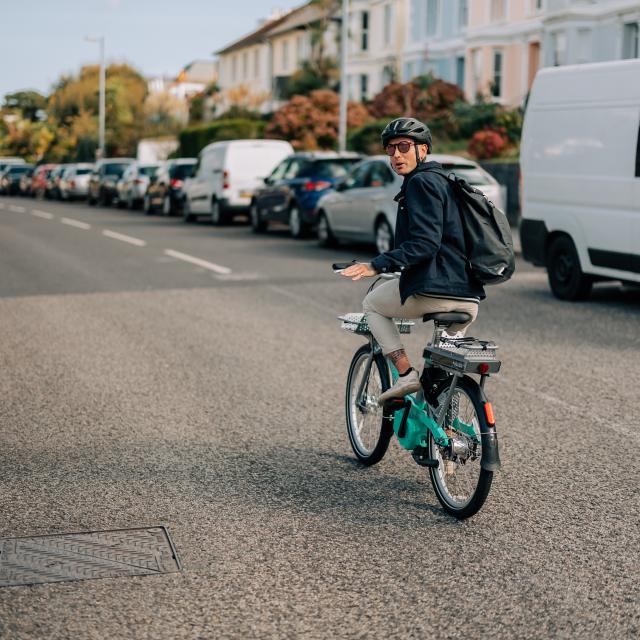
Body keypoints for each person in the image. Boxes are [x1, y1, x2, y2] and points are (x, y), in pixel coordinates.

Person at [341, 117, 485, 404]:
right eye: (390, 149)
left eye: (404, 146)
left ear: (423, 150)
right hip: (469, 298)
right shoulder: (446, 182)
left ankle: (405, 374)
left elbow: (425, 244)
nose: (396, 155)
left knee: (372, 304)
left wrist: (377, 265)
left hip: (435, 291)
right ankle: (441, 428)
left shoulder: (420, 183)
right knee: (438, 375)